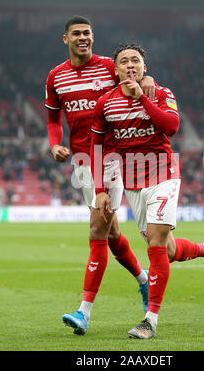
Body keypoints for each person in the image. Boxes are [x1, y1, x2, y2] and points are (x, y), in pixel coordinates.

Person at [91, 44, 204, 339]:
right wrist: (100, 190)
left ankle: (149, 320)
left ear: (144, 67)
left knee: (155, 244)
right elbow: (97, 148)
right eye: (124, 62)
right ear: (115, 70)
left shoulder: (162, 93)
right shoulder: (105, 104)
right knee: (166, 249)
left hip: (164, 174)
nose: (130, 65)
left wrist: (142, 97)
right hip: (132, 184)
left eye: (136, 61)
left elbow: (171, 126)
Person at [45, 17, 156, 335]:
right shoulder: (56, 76)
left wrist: (149, 82)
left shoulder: (109, 66)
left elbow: (135, 73)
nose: (83, 38)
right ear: (65, 38)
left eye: (88, 34)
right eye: (77, 34)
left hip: (112, 157)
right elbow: (54, 119)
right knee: (110, 233)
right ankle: (144, 280)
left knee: (97, 228)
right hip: (82, 162)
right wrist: (55, 144)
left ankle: (84, 313)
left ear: (93, 38)